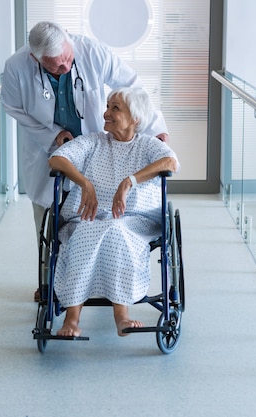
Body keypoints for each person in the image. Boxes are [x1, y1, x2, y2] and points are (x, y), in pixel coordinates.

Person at [0, 21, 169, 241]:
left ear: (69, 40)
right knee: (49, 227)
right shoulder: (16, 67)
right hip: (48, 153)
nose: (66, 68)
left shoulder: (92, 51)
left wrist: (155, 128)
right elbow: (12, 106)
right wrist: (51, 134)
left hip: (94, 152)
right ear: (36, 59)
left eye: (68, 59)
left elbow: (132, 86)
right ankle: (54, 273)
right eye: (57, 67)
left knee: (96, 220)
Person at [48, 87, 179, 337]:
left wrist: (129, 181)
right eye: (107, 106)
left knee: (116, 230)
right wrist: (84, 183)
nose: (106, 113)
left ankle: (122, 316)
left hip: (133, 221)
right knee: (86, 230)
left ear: (135, 118)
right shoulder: (94, 142)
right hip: (89, 217)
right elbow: (57, 159)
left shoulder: (147, 146)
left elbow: (170, 162)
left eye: (115, 108)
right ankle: (71, 319)